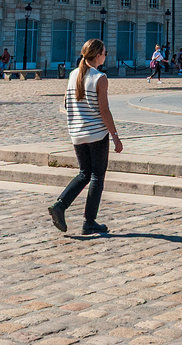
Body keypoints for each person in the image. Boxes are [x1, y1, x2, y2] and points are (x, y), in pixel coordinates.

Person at [47, 38, 122, 236]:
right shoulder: (100, 77)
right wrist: (115, 136)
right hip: (96, 133)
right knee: (97, 176)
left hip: (77, 134)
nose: (106, 56)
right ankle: (89, 222)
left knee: (84, 174)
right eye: (105, 53)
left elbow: (66, 103)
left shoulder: (73, 75)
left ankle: (60, 205)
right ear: (97, 55)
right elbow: (104, 110)